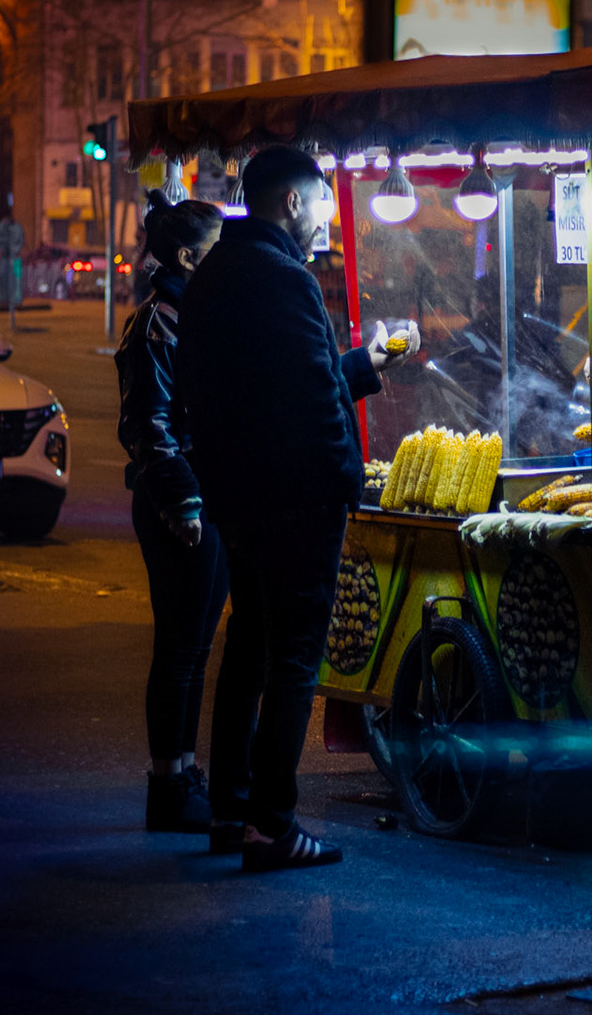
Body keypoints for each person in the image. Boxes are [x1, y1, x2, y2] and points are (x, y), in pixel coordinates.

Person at [177, 146, 417, 871]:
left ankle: (230, 810)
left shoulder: (217, 272)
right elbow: (309, 404)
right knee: (292, 660)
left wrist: (362, 368)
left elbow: (276, 389)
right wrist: (348, 479)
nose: (326, 219)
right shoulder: (284, 277)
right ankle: (271, 826)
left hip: (239, 498)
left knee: (248, 647)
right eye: (321, 203)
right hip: (297, 501)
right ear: (290, 202)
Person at [116, 191, 226, 832]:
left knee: (195, 645)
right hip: (178, 503)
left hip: (205, 498)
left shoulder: (193, 315)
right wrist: (182, 500)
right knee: (181, 649)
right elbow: (149, 426)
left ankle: (184, 774)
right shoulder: (157, 322)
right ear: (186, 256)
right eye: (215, 250)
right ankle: (169, 784)